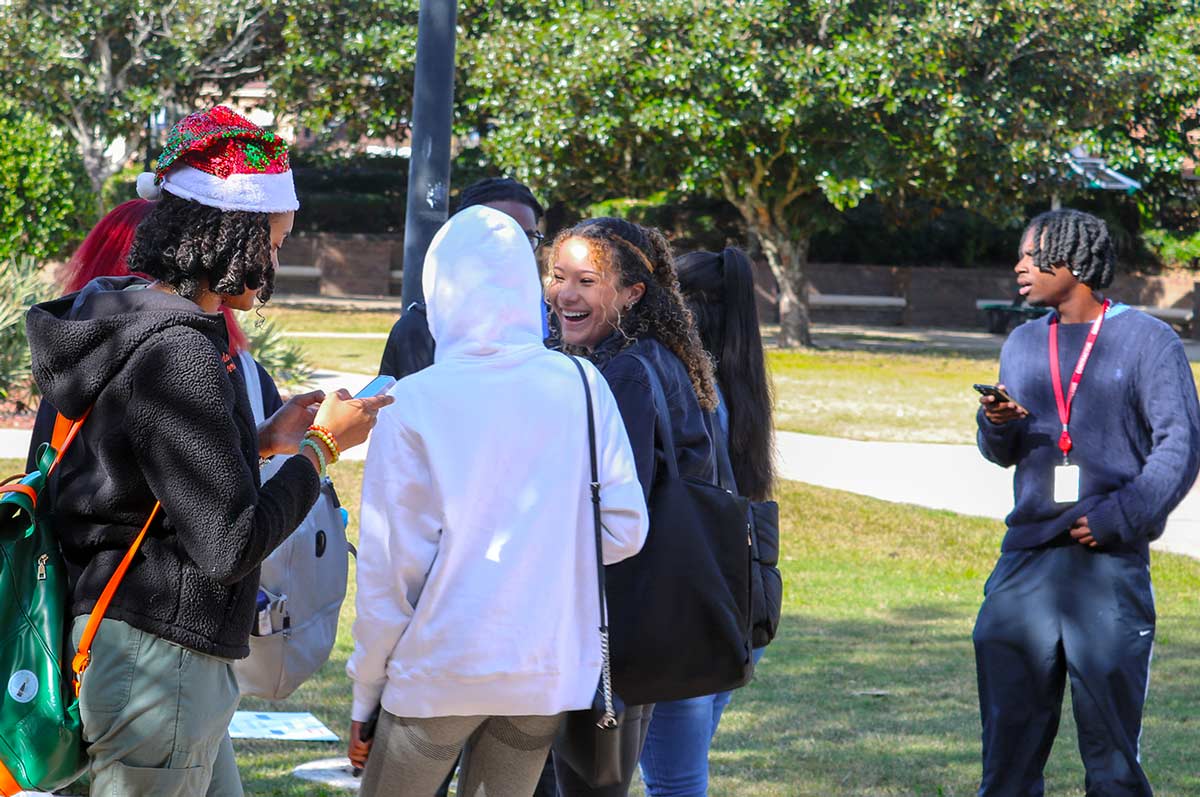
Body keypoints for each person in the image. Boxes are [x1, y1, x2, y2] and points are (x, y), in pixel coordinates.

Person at [24, 105, 391, 796]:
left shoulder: (121, 319)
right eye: (273, 243)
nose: (276, 264)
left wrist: (256, 442)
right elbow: (228, 543)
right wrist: (320, 447)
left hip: (123, 641)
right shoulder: (182, 348)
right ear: (230, 233)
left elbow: (126, 475)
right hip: (159, 659)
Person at [346, 205, 647, 796]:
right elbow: (625, 529)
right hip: (544, 663)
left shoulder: (413, 401)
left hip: (440, 665)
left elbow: (391, 571)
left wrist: (366, 690)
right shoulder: (583, 383)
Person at [973, 208, 1200, 797]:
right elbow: (1002, 453)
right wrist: (997, 423)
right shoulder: (1023, 343)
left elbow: (1180, 446)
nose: (1020, 266)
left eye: (1032, 254)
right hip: (1026, 559)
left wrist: (1121, 517)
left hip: (1106, 563)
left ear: (1071, 261)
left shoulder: (1149, 341)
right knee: (1006, 752)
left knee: (1111, 758)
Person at [545, 217, 717, 797]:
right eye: (557, 275)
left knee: (585, 784)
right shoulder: (634, 357)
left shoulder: (627, 372)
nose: (565, 293)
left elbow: (618, 517)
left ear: (631, 293)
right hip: (625, 622)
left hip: (612, 626)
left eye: (587, 281)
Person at [638, 247, 775, 796]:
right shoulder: (742, 391)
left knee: (673, 782)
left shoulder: (690, 393)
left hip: (686, 612)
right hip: (736, 607)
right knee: (680, 776)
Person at [26, 199, 283, 471]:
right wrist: (316, 448)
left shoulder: (72, 363)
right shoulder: (194, 361)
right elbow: (221, 509)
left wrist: (261, 442)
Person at [377, 176, 547, 380]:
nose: (512, 245)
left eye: (525, 237)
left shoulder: (561, 322)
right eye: (495, 233)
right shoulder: (417, 330)